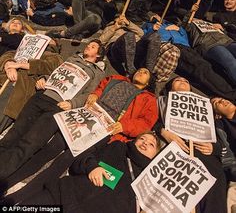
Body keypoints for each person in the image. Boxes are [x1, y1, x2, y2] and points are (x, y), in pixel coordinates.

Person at [0, 40, 107, 179]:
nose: (88, 46)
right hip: (41, 96)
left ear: (98, 55)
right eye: (89, 44)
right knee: (14, 133)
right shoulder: (72, 59)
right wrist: (44, 79)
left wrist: (73, 103)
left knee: (30, 142)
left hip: (58, 107)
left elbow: (89, 94)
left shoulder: (97, 72)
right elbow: (54, 73)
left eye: (93, 47)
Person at [2, 132, 160, 213]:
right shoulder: (118, 147)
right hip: (59, 196)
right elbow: (80, 159)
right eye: (142, 139)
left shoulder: (151, 182)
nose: (145, 142)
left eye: (151, 144)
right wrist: (92, 166)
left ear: (155, 155)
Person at [154, 76, 227, 213]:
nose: (183, 81)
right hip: (176, 155)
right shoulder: (161, 101)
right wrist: (163, 132)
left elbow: (220, 143)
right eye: (178, 80)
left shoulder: (205, 108)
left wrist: (213, 147)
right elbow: (151, 121)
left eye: (186, 81)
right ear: (170, 88)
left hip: (208, 160)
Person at [48, 0, 117, 40]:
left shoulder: (112, 7)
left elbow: (111, 12)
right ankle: (79, 33)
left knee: (93, 18)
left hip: (96, 18)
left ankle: (64, 34)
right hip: (85, 13)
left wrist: (108, 2)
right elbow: (85, 3)